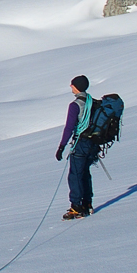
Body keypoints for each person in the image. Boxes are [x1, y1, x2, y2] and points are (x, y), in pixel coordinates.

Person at [55, 74, 100, 219]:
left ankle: (76, 207)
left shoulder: (75, 105)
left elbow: (69, 128)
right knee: (85, 173)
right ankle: (87, 203)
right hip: (93, 143)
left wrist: (61, 146)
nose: (70, 86)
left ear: (77, 87)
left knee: (75, 175)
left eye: (72, 84)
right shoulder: (92, 102)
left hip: (80, 143)